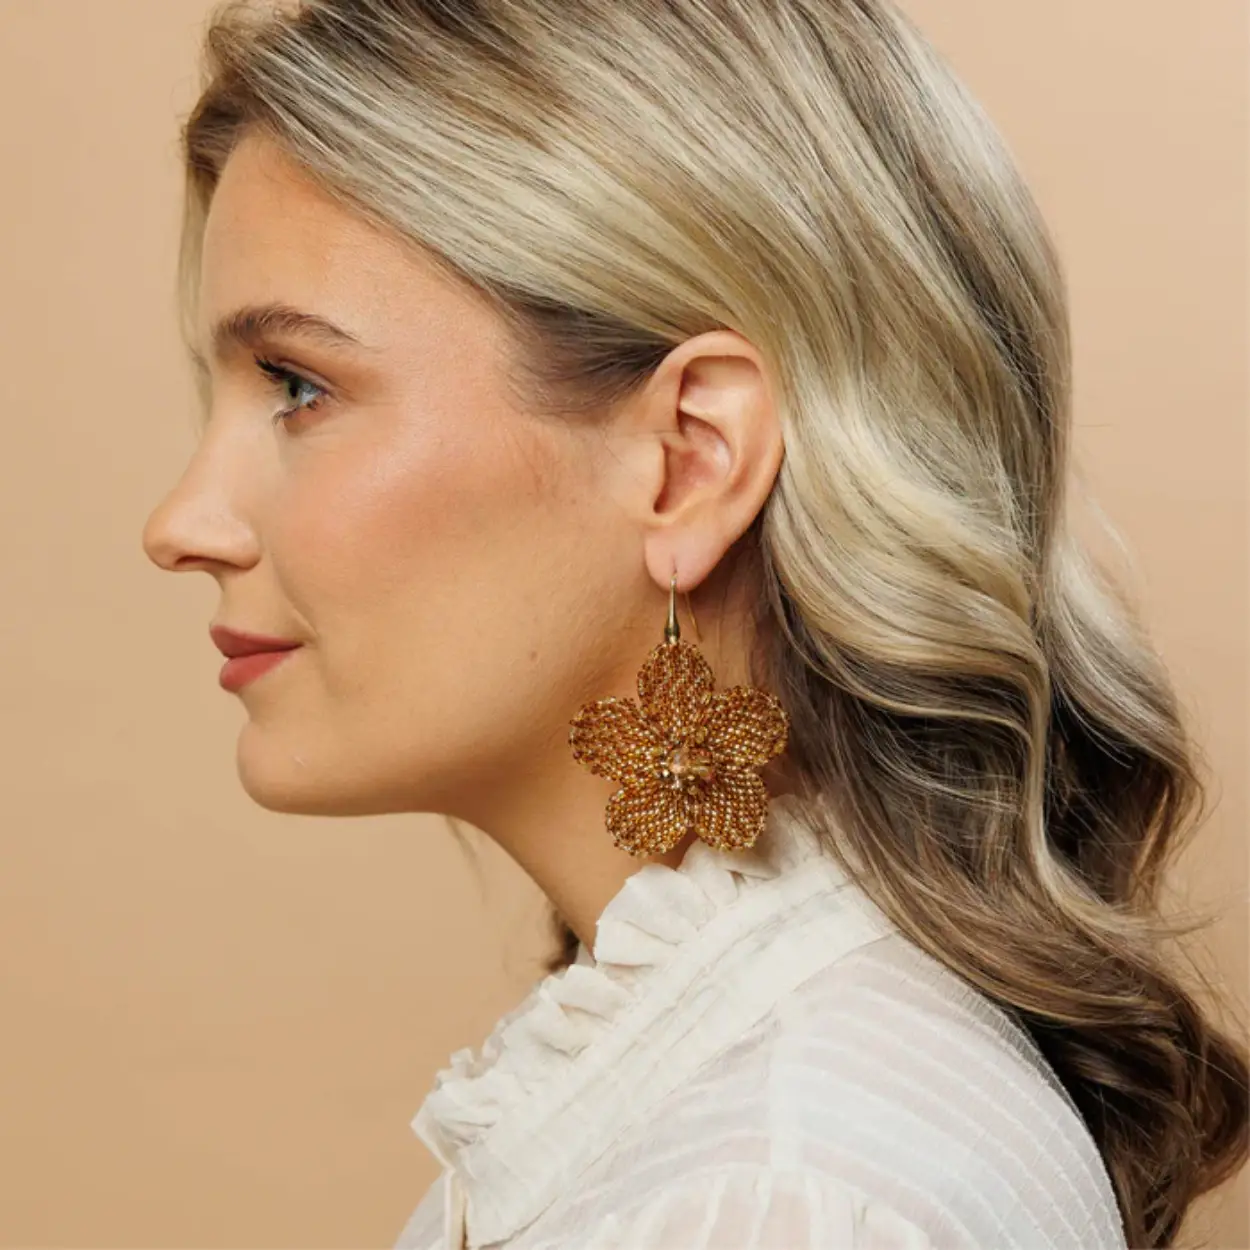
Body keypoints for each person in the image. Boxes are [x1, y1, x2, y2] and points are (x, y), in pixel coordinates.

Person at [142, 0, 1248, 1246]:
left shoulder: (775, 1194)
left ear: (687, 458)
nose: (181, 523)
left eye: (298, 386)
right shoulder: (742, 1104)